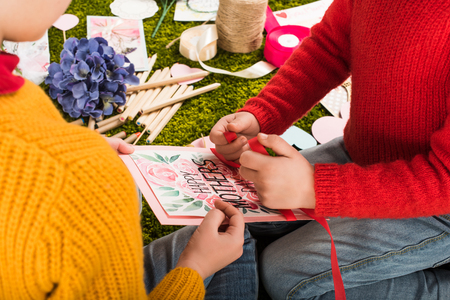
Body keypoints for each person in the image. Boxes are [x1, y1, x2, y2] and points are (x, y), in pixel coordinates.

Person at [0, 0, 256, 299]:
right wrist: (193, 270)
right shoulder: (76, 180)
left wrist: (66, 143)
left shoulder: (24, 106)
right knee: (236, 239)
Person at [210, 0, 450, 299]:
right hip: (360, 154)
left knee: (284, 275)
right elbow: (330, 46)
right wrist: (265, 113)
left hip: (439, 206)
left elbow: (444, 179)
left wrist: (317, 188)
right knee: (221, 218)